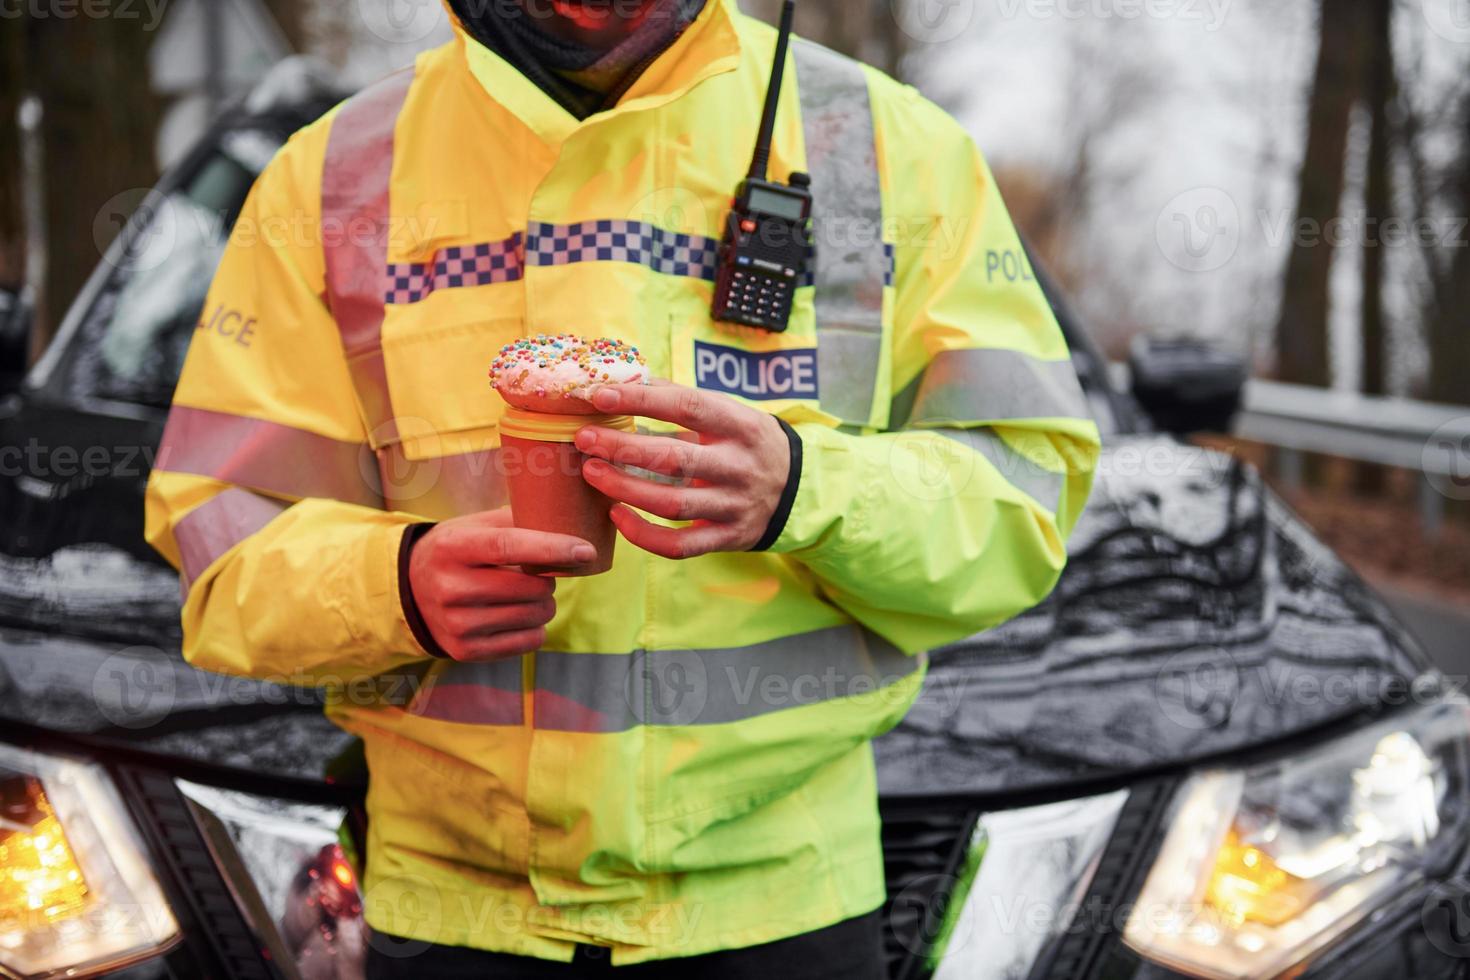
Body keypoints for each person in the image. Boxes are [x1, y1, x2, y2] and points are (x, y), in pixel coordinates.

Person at [144, 0, 1101, 976]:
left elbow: (1020, 496)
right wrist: (397, 581)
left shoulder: (898, 153)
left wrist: (807, 486)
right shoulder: (332, 178)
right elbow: (223, 547)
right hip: (452, 919)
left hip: (785, 912)